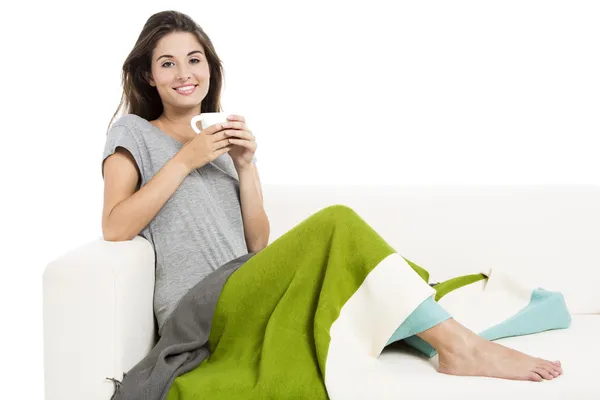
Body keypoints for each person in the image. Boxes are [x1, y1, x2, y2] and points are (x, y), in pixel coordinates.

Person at [101, 10, 562, 383]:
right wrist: (185, 160)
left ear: (209, 67)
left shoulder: (222, 140)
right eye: (168, 63)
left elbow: (258, 245)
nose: (185, 73)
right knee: (337, 221)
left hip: (246, 284)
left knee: (370, 270)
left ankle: (443, 334)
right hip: (198, 311)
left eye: (194, 59)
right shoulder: (135, 133)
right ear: (148, 76)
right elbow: (115, 225)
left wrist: (244, 166)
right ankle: (460, 348)